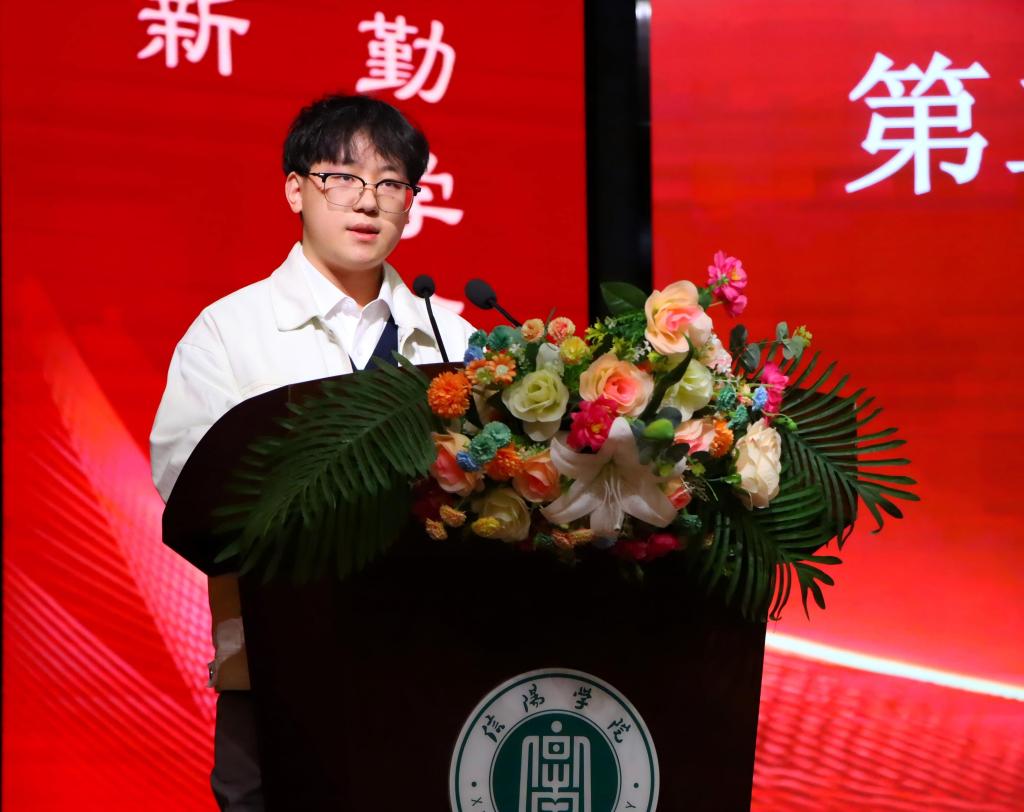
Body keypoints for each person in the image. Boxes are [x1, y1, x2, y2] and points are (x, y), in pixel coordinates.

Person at [150, 94, 476, 810]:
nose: (368, 201)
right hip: (275, 664)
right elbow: (190, 483)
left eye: (390, 182)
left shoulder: (453, 338)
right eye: (343, 178)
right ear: (296, 189)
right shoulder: (230, 331)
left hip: (433, 663)